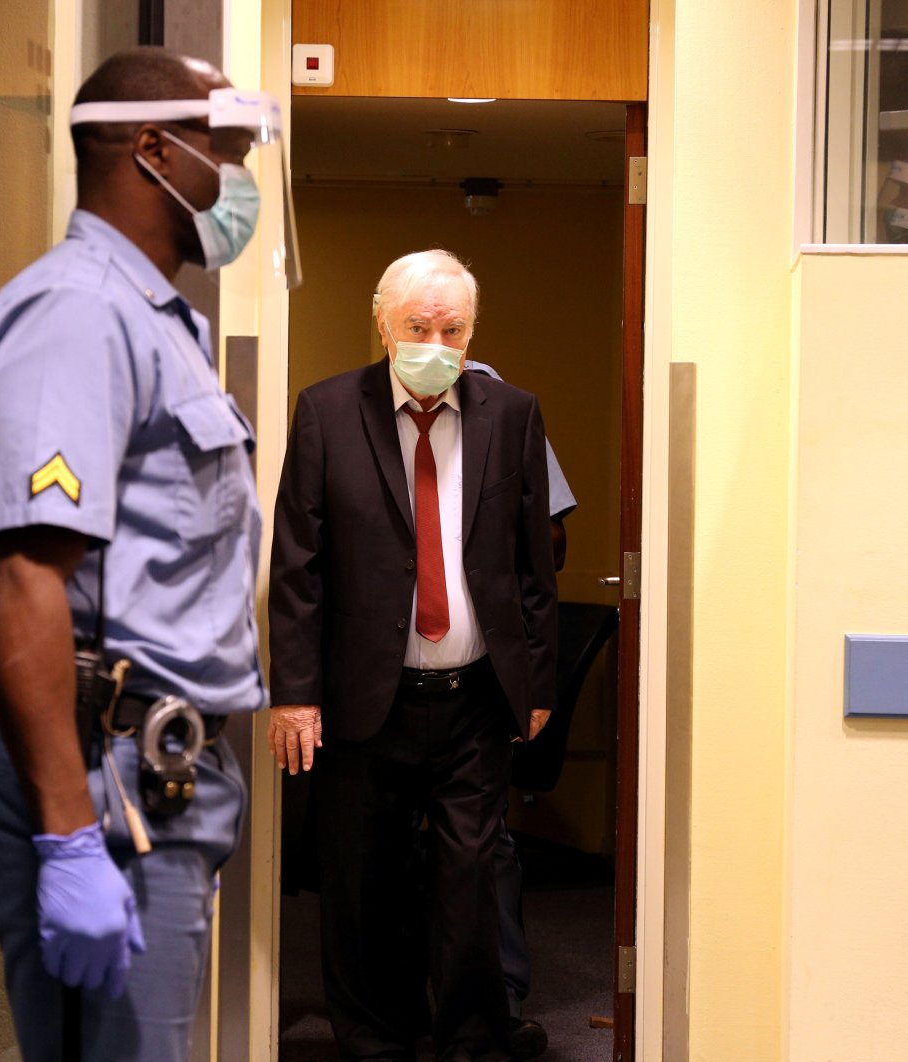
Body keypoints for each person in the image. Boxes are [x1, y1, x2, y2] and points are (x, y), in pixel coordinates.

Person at [0, 48, 289, 1060]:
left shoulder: (152, 319)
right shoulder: (78, 315)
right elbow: (20, 575)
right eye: (225, 155)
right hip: (105, 777)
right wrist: (65, 838)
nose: (237, 185)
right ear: (153, 150)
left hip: (154, 775)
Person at [268, 249, 559, 1061]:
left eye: (453, 328)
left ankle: (472, 1035)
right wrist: (294, 693)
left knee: (469, 881)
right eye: (418, 326)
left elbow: (534, 561)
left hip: (475, 697)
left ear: (473, 332)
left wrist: (536, 680)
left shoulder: (512, 414)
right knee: (365, 884)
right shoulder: (327, 412)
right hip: (367, 696)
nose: (436, 340)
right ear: (382, 323)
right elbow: (298, 564)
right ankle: (375, 1040)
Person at [464, 358, 575, 1060]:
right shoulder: (361, 413)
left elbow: (554, 543)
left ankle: (496, 1000)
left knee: (486, 841)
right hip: (394, 667)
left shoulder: (507, 410)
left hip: (485, 664)